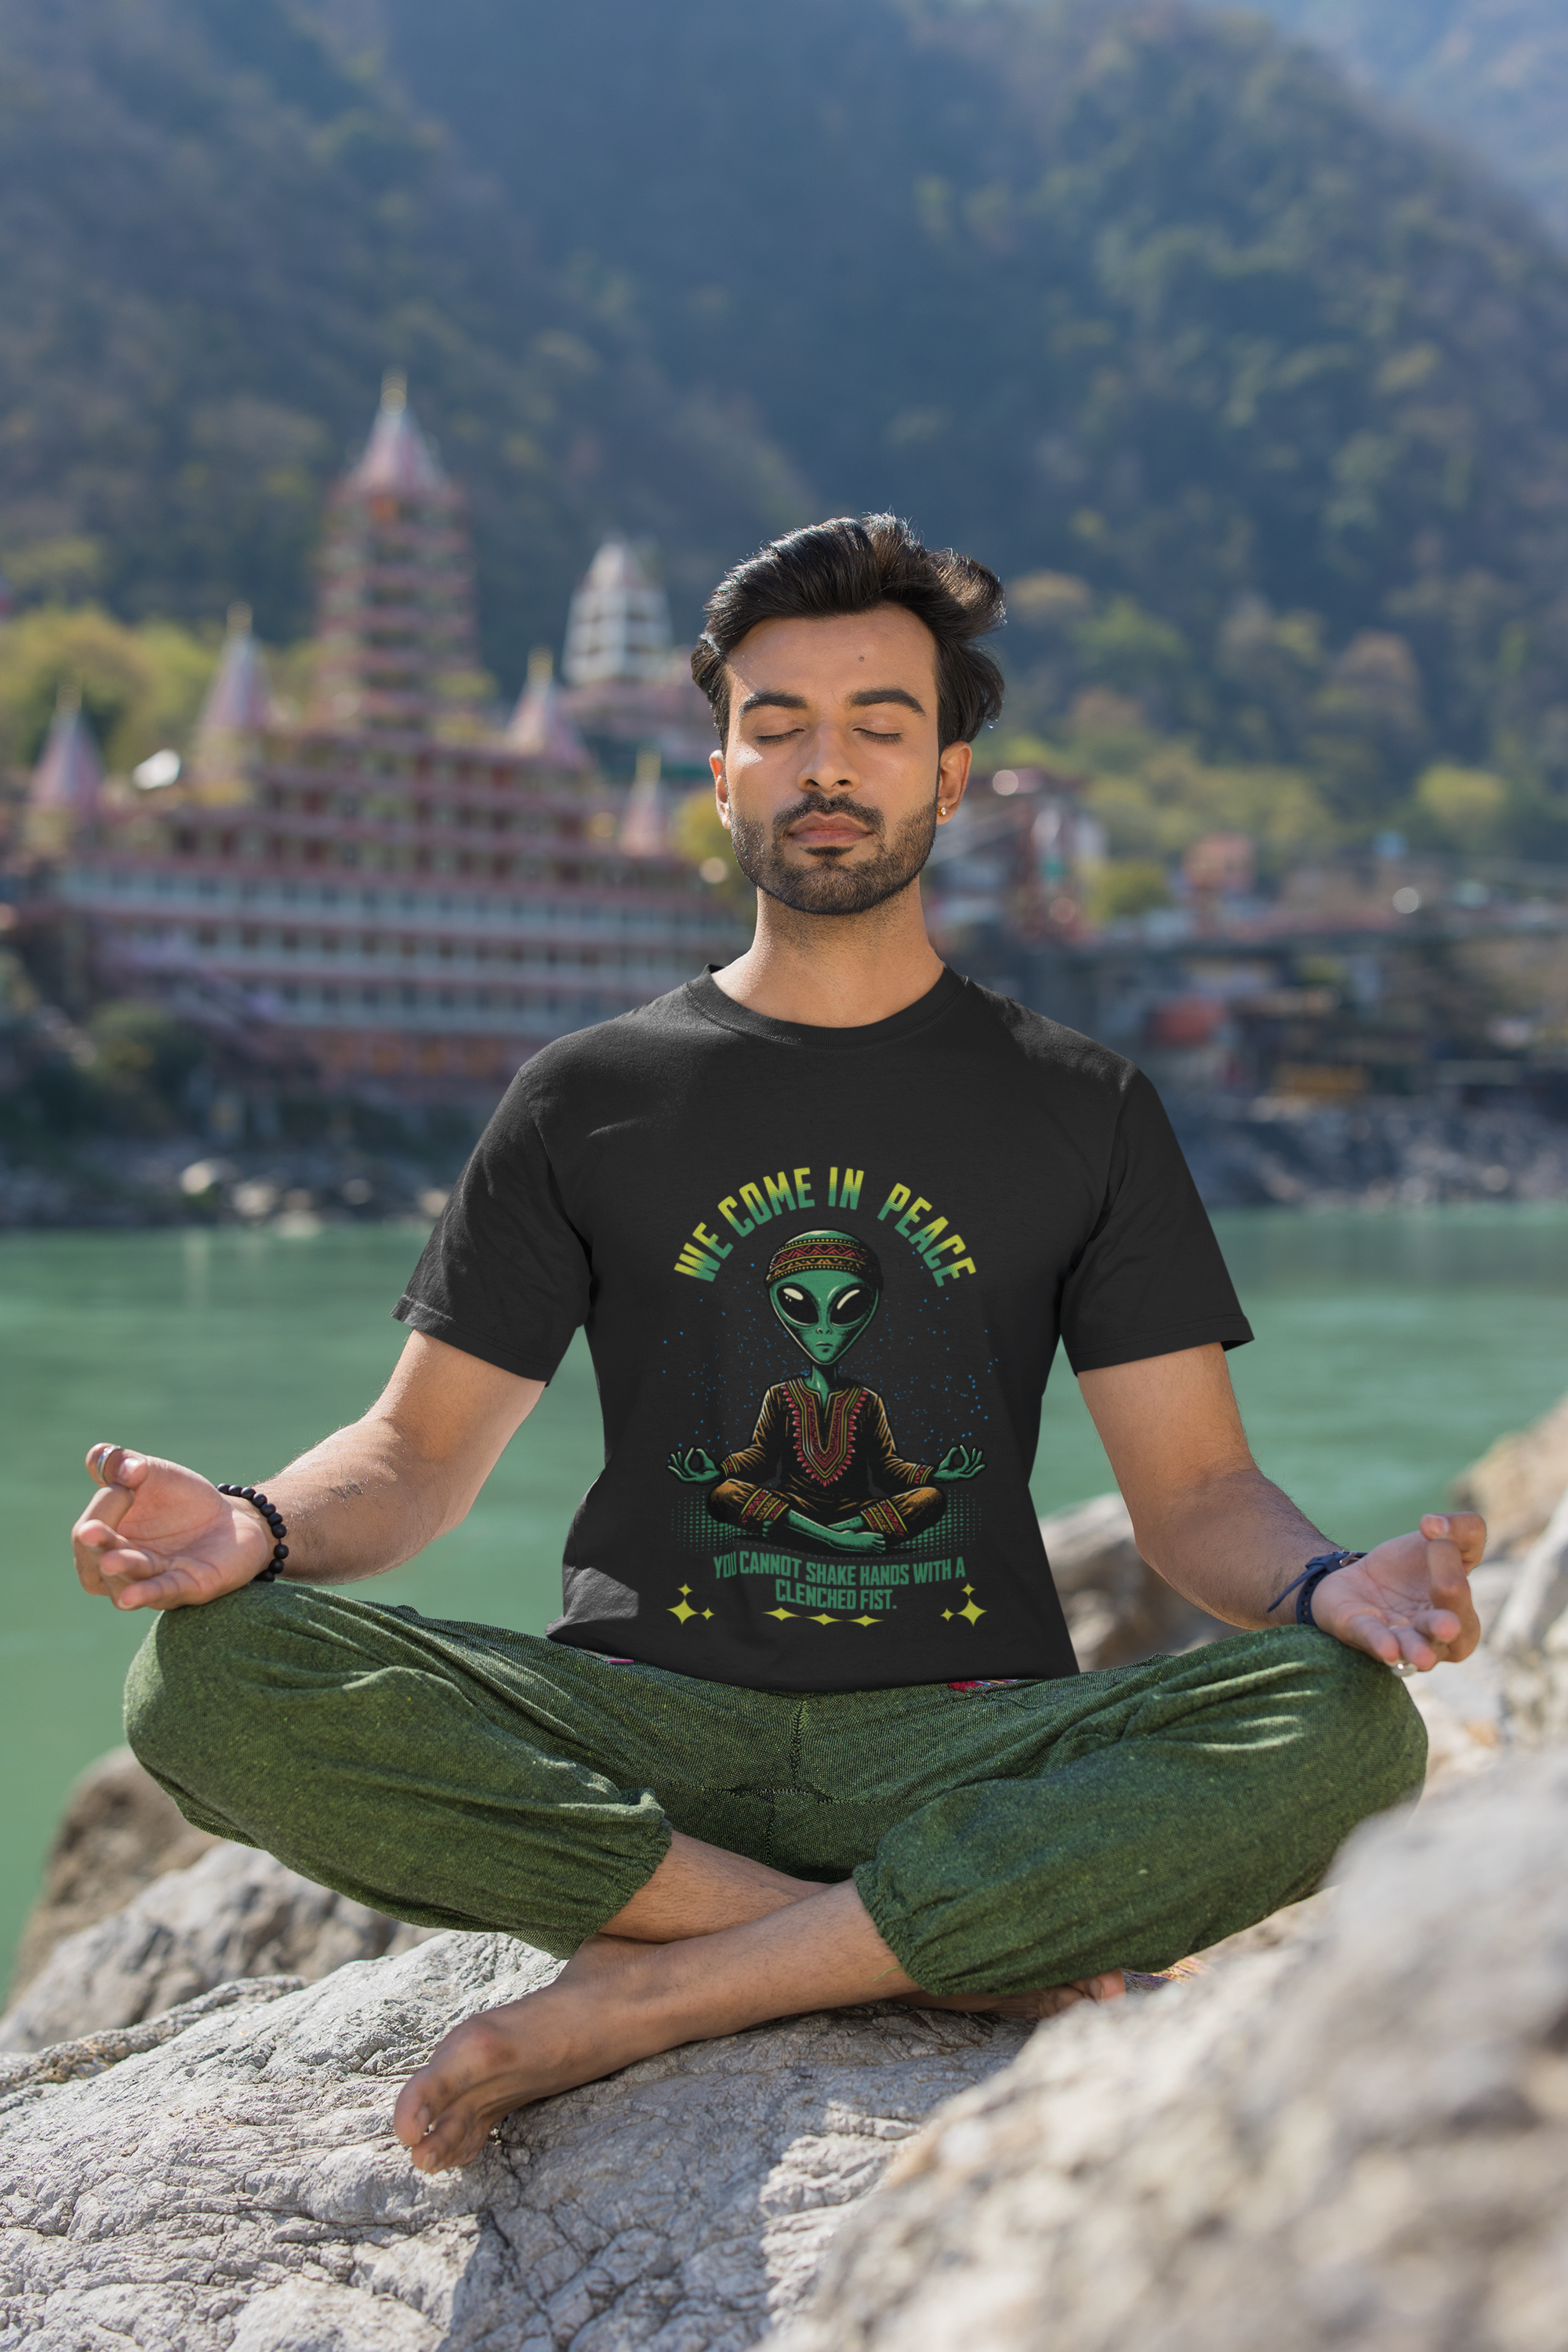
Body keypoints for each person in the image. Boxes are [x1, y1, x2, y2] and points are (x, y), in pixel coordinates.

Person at [72, 515, 1483, 2179]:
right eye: (778, 725)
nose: (827, 767)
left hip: (960, 1739)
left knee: (1349, 1730)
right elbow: (415, 1457)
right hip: (642, 1737)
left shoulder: (1081, 1107)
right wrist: (252, 1525)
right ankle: (894, 1947)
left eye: (879, 726)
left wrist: (1327, 1587)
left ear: (949, 776)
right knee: (203, 1676)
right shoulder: (588, 1096)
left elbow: (1193, 1499)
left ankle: (662, 1987)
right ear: (721, 772)